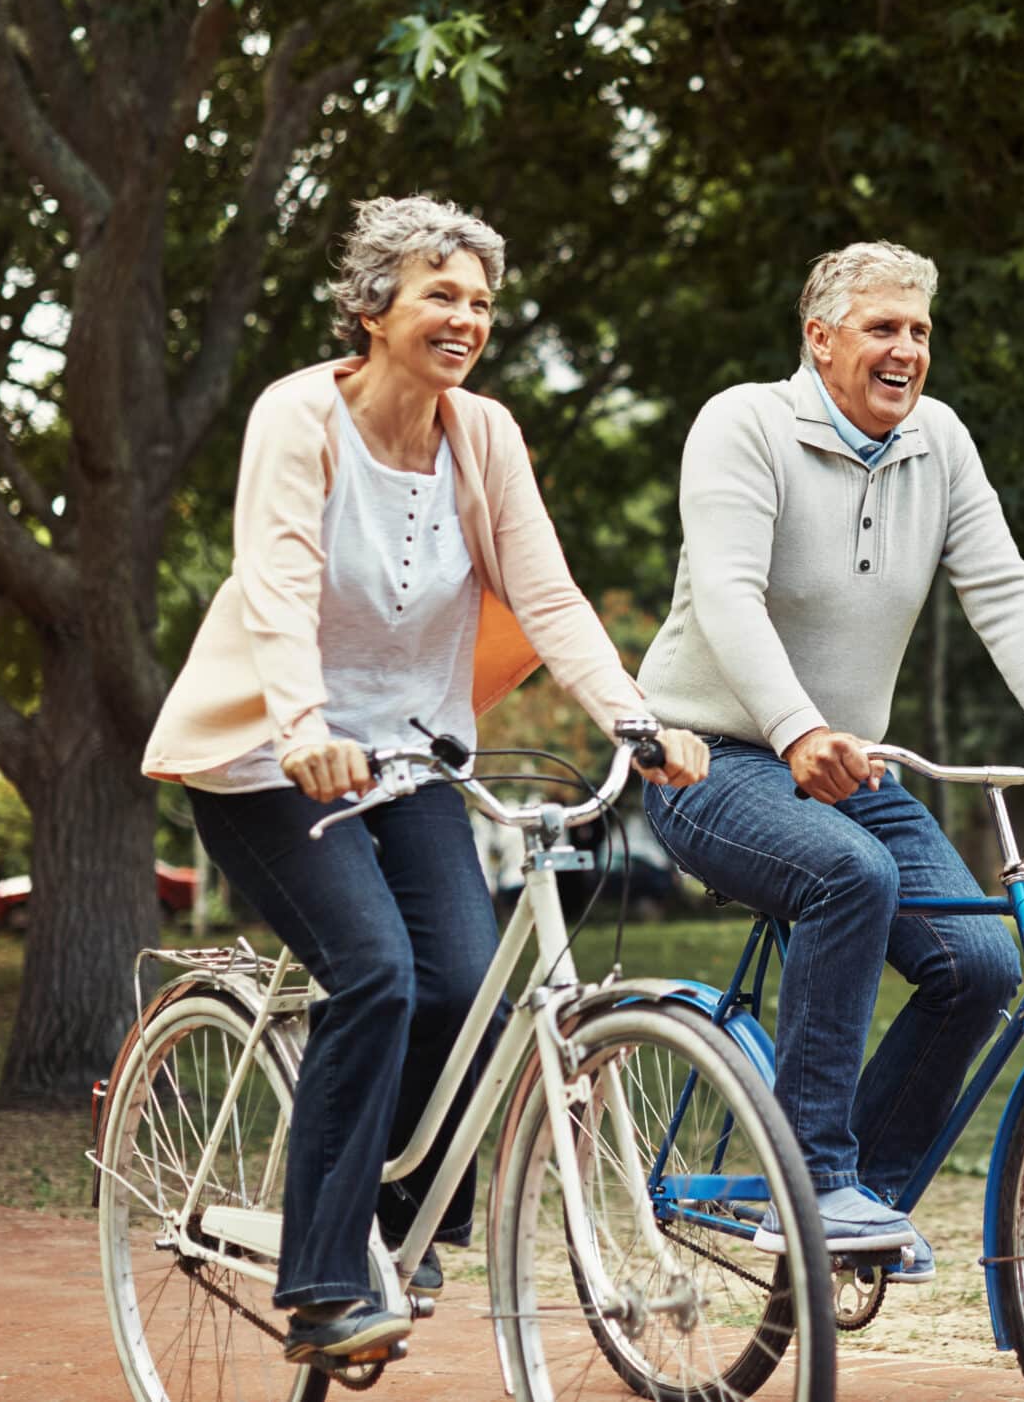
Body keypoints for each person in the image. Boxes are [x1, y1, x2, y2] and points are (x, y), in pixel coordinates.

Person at [142, 195, 707, 1361]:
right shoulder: (300, 416)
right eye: (441, 294)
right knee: (378, 973)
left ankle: (396, 1221)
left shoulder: (481, 434)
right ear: (371, 307)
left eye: (483, 303)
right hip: (271, 761)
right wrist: (301, 726)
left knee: (465, 986)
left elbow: (546, 595)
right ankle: (319, 1280)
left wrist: (635, 719)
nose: (466, 318)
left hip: (410, 759)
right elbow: (277, 584)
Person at [637, 240, 1024, 1280]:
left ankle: (860, 1192)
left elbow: (999, 585)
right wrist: (793, 728)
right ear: (819, 340)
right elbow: (726, 591)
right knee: (846, 876)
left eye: (918, 330)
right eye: (881, 328)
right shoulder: (744, 426)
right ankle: (814, 1185)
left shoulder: (937, 442)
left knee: (982, 962)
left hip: (851, 765)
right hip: (709, 760)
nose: (904, 349)